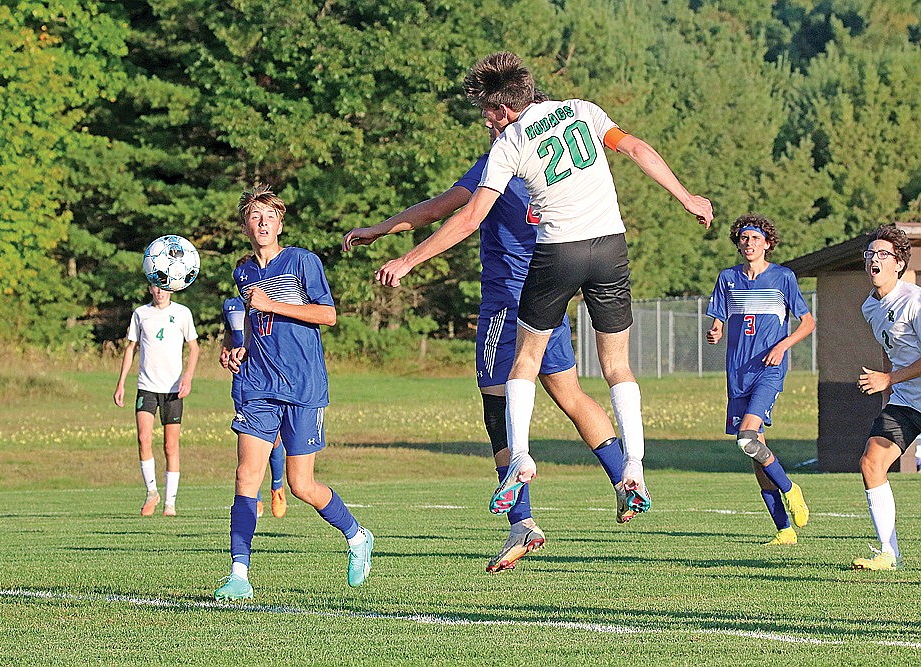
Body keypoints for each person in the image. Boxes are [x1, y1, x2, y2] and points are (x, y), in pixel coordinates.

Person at [375, 52, 713, 515]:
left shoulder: (506, 149)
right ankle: (631, 469)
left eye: (486, 114)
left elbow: (462, 214)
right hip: (609, 249)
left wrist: (408, 257)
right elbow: (636, 149)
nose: (485, 124)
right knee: (607, 372)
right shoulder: (582, 110)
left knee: (514, 377)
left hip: (534, 277)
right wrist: (687, 197)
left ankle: (520, 477)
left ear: (505, 110)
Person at [347, 111, 641, 573]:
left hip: (507, 303)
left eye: (489, 117)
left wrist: (386, 235)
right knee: (570, 393)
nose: (486, 126)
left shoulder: (499, 163)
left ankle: (522, 523)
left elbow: (442, 210)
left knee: (496, 409)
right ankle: (623, 479)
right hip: (550, 294)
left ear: (504, 120)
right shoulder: (558, 165)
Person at [214, 184, 373, 601]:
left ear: (280, 223)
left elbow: (328, 314)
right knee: (247, 477)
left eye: (270, 216)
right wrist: (234, 348)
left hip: (303, 386)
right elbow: (248, 324)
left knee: (302, 485)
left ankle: (357, 536)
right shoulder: (243, 271)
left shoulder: (303, 261)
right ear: (245, 225)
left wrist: (274, 305)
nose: (262, 223)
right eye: (255, 216)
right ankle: (239, 574)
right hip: (257, 386)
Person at [705, 214, 814, 545]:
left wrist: (782, 345)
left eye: (755, 238)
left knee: (747, 438)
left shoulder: (783, 278)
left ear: (767, 243)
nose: (749, 242)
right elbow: (718, 322)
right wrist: (714, 331)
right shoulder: (728, 279)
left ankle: (791, 489)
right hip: (737, 373)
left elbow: (808, 323)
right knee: (756, 455)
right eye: (744, 238)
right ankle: (784, 531)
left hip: (769, 370)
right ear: (738, 244)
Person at [853, 224, 921, 570]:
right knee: (871, 462)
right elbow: (890, 350)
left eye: (883, 254)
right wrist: (888, 384)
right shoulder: (870, 307)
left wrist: (890, 378)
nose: (874, 260)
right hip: (909, 402)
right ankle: (888, 553)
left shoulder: (915, 301)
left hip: (905, 387)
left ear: (899, 264)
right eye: (870, 254)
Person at [113, 283, 200, 517]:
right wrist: (121, 383)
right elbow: (131, 348)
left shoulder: (182, 313)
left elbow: (194, 348)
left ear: (171, 289)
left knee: (170, 446)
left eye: (164, 288)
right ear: (150, 289)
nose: (160, 292)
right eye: (156, 287)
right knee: (143, 438)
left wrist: (188, 377)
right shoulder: (141, 314)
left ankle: (170, 502)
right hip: (146, 387)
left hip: (173, 390)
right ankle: (152, 492)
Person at [221, 291, 287, 519]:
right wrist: (225, 349)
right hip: (241, 378)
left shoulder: (267, 300)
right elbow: (230, 333)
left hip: (266, 376)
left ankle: (277, 486)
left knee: (273, 438)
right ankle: (254, 496)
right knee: (248, 436)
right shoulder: (230, 304)